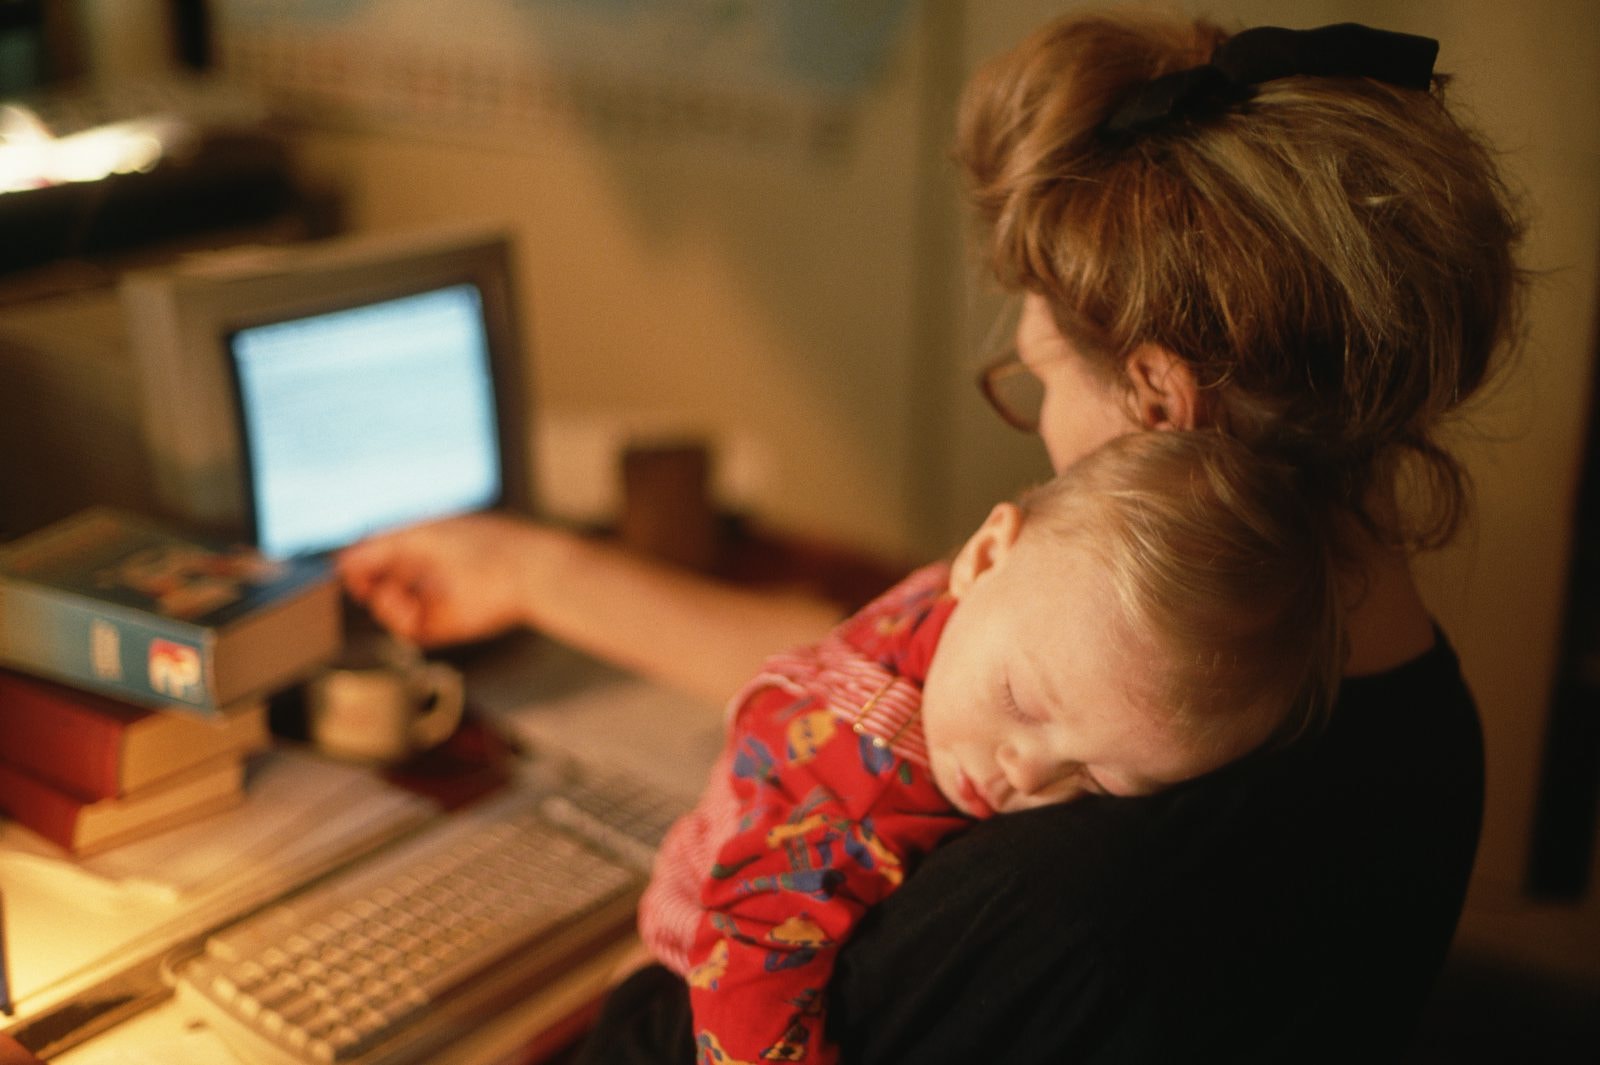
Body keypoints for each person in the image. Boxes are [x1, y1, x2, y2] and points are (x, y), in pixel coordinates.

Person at [338, 11, 1524, 1062]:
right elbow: (892, 688)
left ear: (1162, 402)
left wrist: (639, 960)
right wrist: (532, 569)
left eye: (1039, 374)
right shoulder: (1405, 709)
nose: (1039, 414)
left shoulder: (1072, 906)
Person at [639, 430, 1340, 1065]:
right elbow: (749, 960)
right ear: (982, 554)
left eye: (1098, 775)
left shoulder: (1004, 605)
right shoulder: (856, 791)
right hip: (703, 945)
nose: (1028, 773)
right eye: (1021, 702)